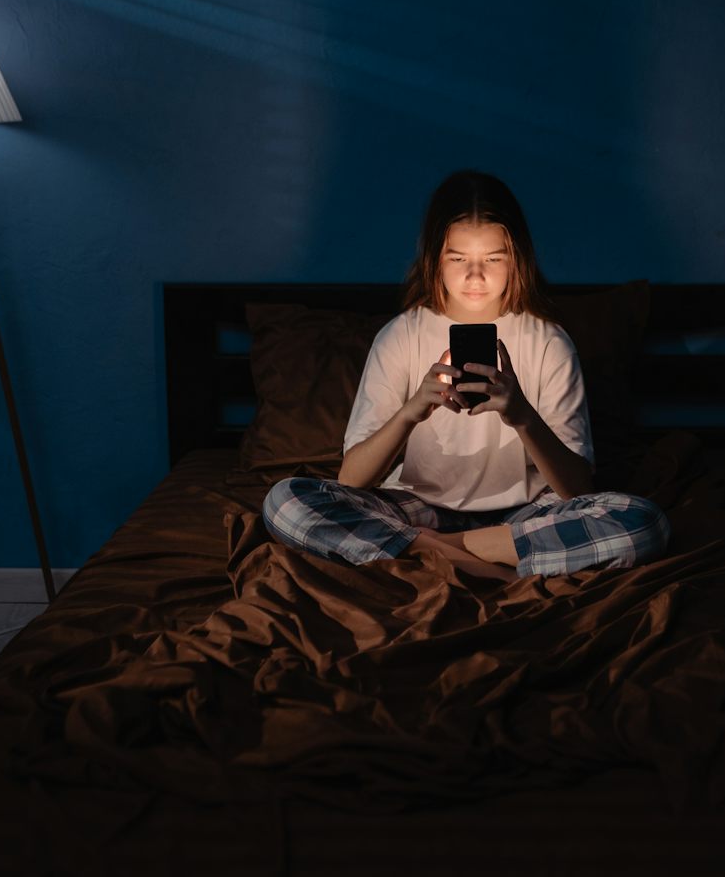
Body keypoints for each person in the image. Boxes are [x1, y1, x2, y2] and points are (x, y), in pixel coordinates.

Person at [261, 170, 670, 583]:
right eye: (458, 259)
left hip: (523, 515)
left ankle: (436, 555)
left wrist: (522, 416)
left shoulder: (548, 340)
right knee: (285, 500)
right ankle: (494, 570)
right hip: (418, 507)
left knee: (642, 521)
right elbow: (352, 480)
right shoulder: (401, 335)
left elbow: (578, 490)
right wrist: (413, 411)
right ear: (435, 259)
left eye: (493, 259)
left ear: (517, 259)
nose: (475, 276)